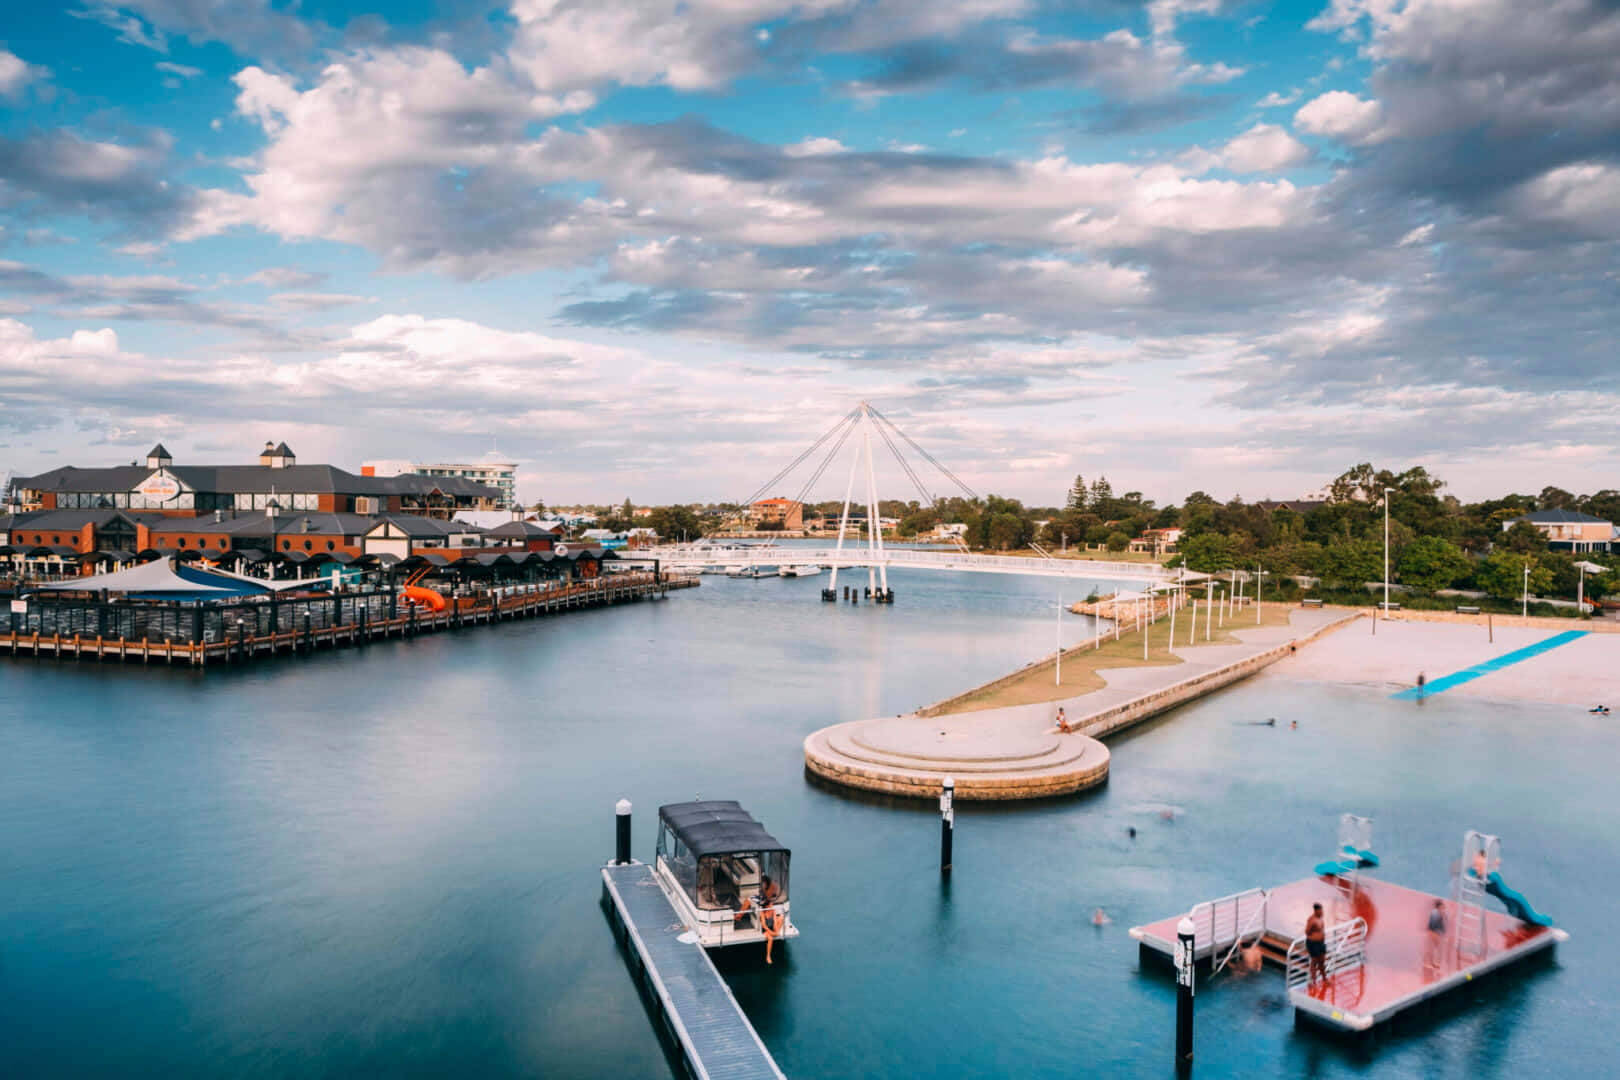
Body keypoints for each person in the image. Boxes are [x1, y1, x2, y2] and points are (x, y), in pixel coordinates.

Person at [1305, 903, 1327, 989]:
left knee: (1322, 961)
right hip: (1313, 943)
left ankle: (1324, 979)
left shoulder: (1321, 919)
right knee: (1314, 962)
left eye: (1322, 910)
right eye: (1320, 910)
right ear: (1316, 911)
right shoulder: (1311, 920)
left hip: (1321, 943)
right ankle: (1313, 982)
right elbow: (1307, 932)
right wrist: (1315, 937)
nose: (1322, 912)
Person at [1425, 900, 1446, 974]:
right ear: (1439, 906)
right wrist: (1433, 933)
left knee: (1434, 948)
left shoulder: (1438, 912)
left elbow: (1441, 924)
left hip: (1435, 932)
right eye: (1442, 906)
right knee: (1434, 948)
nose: (1444, 907)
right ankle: (1431, 963)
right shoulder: (1436, 913)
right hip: (1433, 932)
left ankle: (1432, 963)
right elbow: (1432, 924)